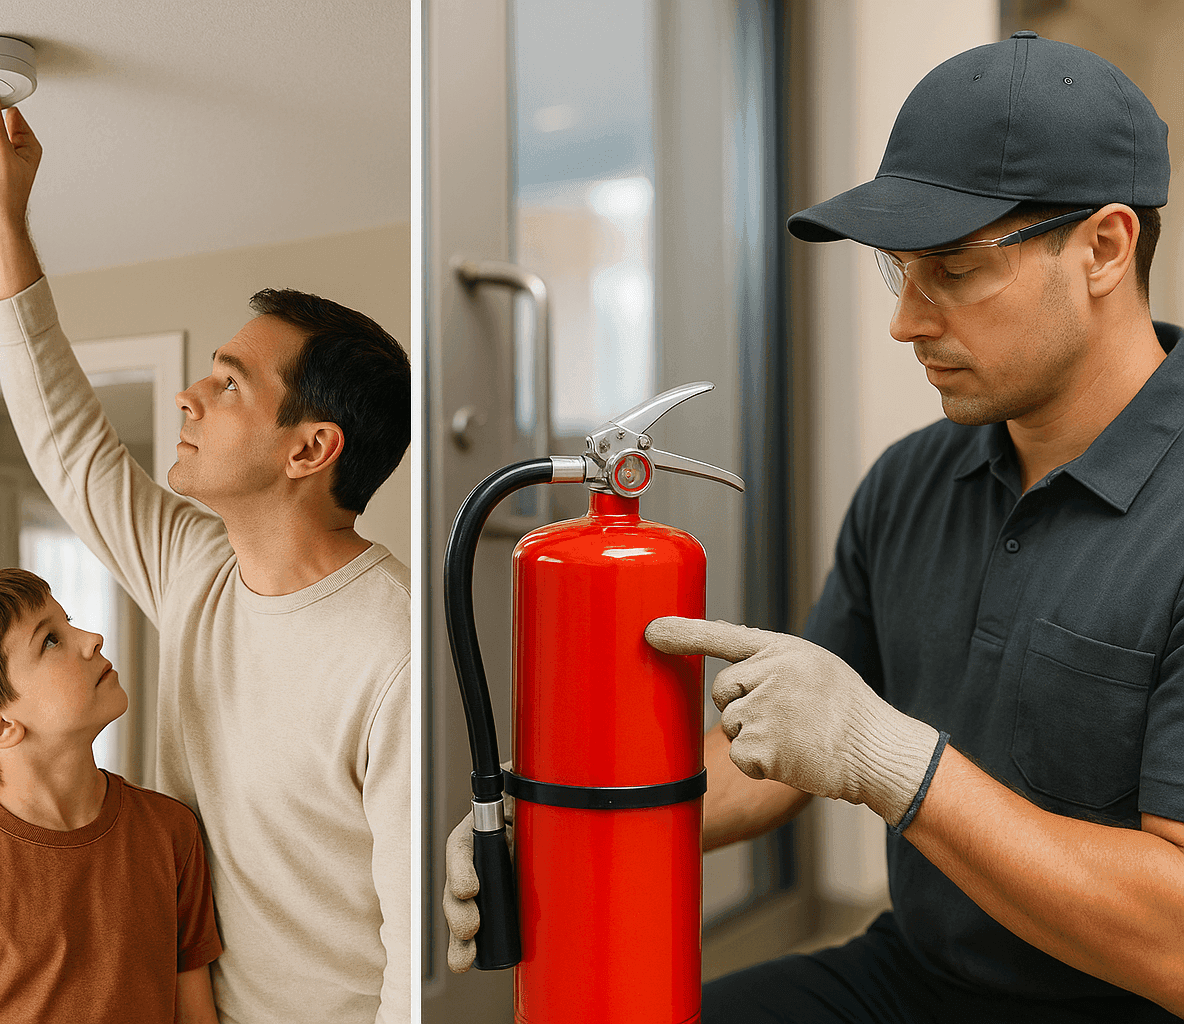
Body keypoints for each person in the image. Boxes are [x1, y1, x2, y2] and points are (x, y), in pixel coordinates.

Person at [449, 31, 1184, 1022]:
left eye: (954, 269)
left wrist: (897, 763)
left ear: (1103, 247)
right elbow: (773, 757)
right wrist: (553, 824)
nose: (906, 321)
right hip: (915, 974)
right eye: (898, 271)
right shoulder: (914, 482)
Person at [0, 95, 412, 1024]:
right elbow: (65, 440)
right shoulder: (198, 567)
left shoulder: (394, 649)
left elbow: (414, 942)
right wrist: (1, 221)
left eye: (230, 384)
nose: (190, 398)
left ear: (310, 449)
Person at [0, 567, 221, 1023]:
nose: (93, 638)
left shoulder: (171, 832)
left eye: (69, 621)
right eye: (51, 640)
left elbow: (196, 1014)